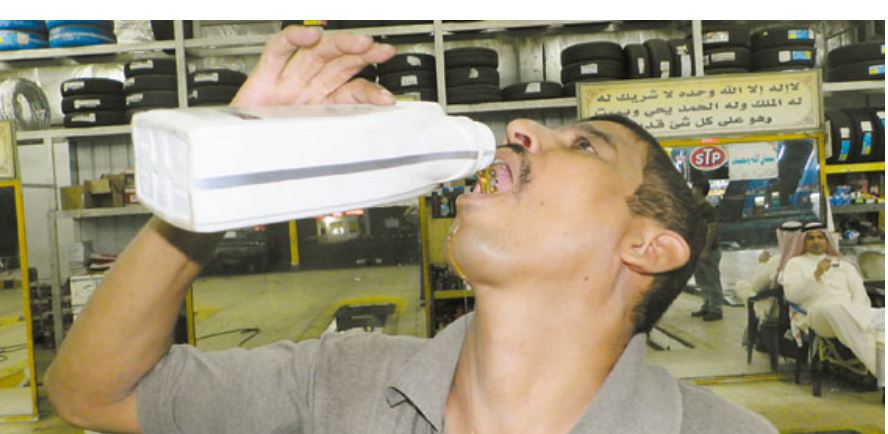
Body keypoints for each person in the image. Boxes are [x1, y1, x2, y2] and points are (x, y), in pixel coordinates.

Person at [43, 26, 777, 434]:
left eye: (584, 145)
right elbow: (89, 394)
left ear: (647, 248)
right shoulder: (340, 381)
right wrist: (221, 171)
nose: (522, 128)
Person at [781, 222, 885, 379]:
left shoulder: (844, 264)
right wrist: (816, 274)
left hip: (852, 314)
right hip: (817, 315)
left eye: (820, 237)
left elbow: (859, 294)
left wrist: (856, 312)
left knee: (881, 322)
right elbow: (792, 296)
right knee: (832, 308)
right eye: (811, 238)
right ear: (803, 242)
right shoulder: (795, 264)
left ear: (827, 240)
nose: (816, 241)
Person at [689, 180, 725, 321]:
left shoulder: (708, 209)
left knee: (712, 280)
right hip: (697, 251)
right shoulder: (694, 208)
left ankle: (716, 309)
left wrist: (706, 250)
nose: (691, 191)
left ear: (700, 190)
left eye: (694, 188)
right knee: (701, 280)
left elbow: (712, 229)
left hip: (709, 251)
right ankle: (707, 305)